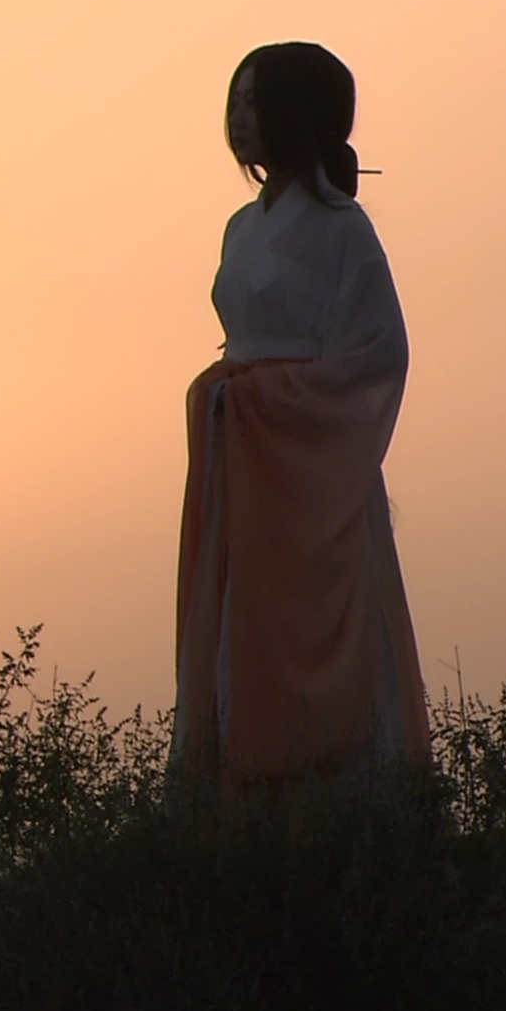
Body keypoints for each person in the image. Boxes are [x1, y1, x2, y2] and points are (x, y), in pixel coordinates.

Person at [169, 42, 430, 810]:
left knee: (331, 632)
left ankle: (348, 821)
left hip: (313, 473)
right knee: (237, 631)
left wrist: (261, 398)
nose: (238, 117)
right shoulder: (239, 228)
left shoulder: (344, 229)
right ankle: (243, 821)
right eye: (234, 101)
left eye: (254, 101)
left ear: (296, 115)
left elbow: (380, 354)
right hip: (242, 465)